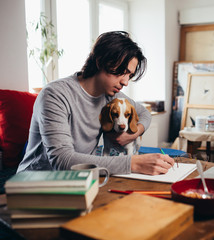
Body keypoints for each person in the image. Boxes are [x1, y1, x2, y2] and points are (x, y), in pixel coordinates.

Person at [17, 31, 174, 175]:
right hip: (38, 181)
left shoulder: (112, 95)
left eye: (129, 75)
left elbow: (144, 113)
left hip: (82, 177)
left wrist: (132, 133)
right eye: (122, 72)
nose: (126, 81)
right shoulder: (55, 94)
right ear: (101, 61)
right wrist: (133, 163)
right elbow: (62, 160)